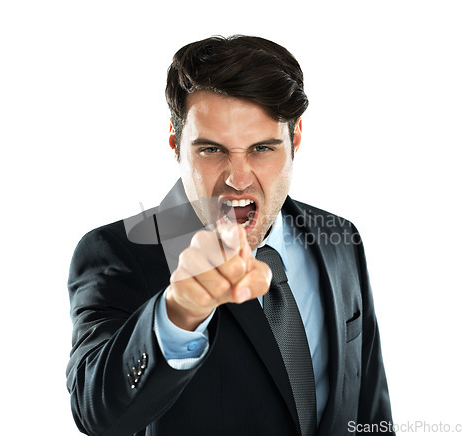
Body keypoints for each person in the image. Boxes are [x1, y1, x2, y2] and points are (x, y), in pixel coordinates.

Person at [66, 35, 394, 436]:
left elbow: (371, 407)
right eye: (211, 150)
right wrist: (179, 313)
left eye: (261, 148)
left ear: (296, 140)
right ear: (175, 142)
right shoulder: (120, 252)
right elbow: (97, 413)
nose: (238, 179)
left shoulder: (340, 239)